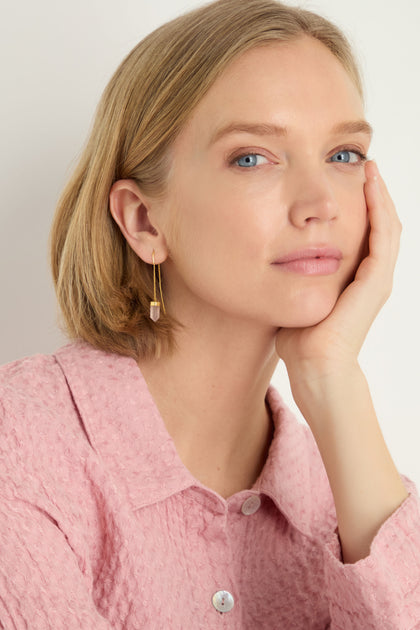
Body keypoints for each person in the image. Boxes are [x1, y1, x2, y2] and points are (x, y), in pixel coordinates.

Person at [1, 0, 419, 627]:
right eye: (252, 157)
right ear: (143, 220)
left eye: (344, 155)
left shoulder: (351, 494)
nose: (320, 204)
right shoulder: (24, 442)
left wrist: (335, 382)